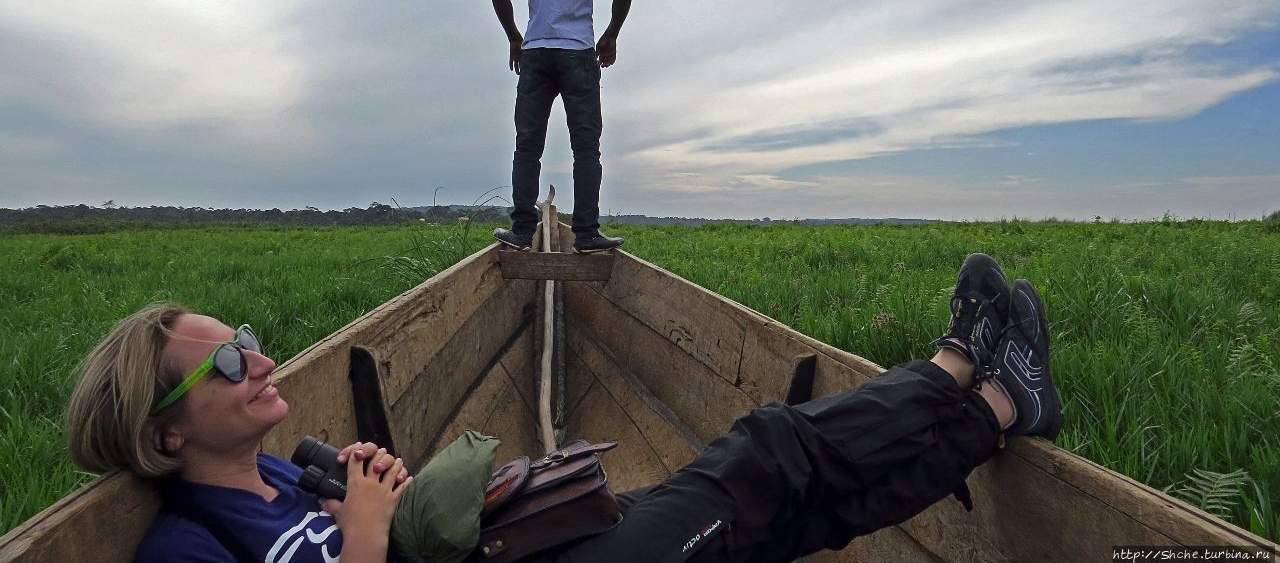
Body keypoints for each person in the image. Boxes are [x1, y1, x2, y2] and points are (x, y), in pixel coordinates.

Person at [66, 253, 1062, 562]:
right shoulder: (186, 546)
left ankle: (997, 404)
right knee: (764, 453)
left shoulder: (280, 472)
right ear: (163, 431)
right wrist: (368, 536)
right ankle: (951, 368)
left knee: (789, 511)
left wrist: (390, 500)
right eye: (226, 363)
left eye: (243, 336)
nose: (259, 357)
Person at [490, 0, 633, 254]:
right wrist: (611, 35)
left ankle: (522, 231)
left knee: (527, 146)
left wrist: (514, 38)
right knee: (586, 149)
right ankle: (586, 235)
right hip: (578, 56)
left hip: (536, 54)